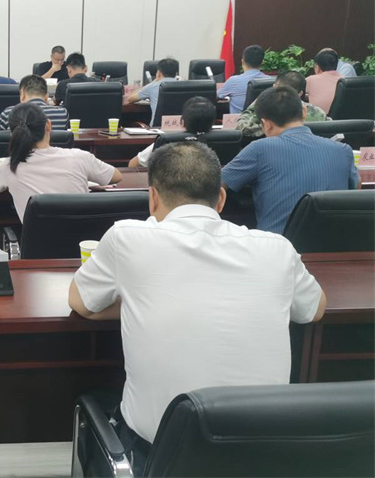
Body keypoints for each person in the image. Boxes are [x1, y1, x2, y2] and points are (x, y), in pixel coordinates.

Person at [68, 141, 326, 474]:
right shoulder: (277, 249)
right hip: (263, 458)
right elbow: (314, 309)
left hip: (162, 458)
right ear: (221, 198)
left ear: (153, 197)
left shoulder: (127, 238)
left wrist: (137, 298)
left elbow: (82, 303)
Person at [223, 86, 359, 234]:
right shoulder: (343, 150)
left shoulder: (259, 149)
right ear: (304, 112)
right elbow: (356, 186)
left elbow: (216, 183)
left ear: (266, 124)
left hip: (278, 245)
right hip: (334, 244)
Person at [0, 102, 122, 221]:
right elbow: (116, 177)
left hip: (38, 241)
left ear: (12, 134)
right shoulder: (80, 157)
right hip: (82, 239)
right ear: (48, 125)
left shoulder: (9, 166)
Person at [236, 70, 328, 139]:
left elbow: (243, 127)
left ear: (274, 87)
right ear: (300, 93)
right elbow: (331, 128)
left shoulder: (265, 109)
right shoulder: (318, 113)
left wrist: (257, 104)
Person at [128, 96, 215, 168]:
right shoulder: (220, 140)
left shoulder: (168, 141)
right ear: (213, 122)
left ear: (182, 122)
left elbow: (132, 165)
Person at [0, 74, 69, 147]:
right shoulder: (62, 113)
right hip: (54, 160)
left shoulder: (10, 112)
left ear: (23, 94)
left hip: (18, 159)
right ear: (46, 96)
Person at [217, 44, 267, 114]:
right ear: (262, 62)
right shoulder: (270, 82)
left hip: (239, 120)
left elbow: (216, 96)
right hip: (262, 120)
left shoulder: (233, 81)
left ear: (242, 61)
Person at [306, 50, 343, 114]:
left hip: (319, 119)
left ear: (317, 67)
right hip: (344, 119)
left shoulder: (310, 80)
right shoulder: (344, 80)